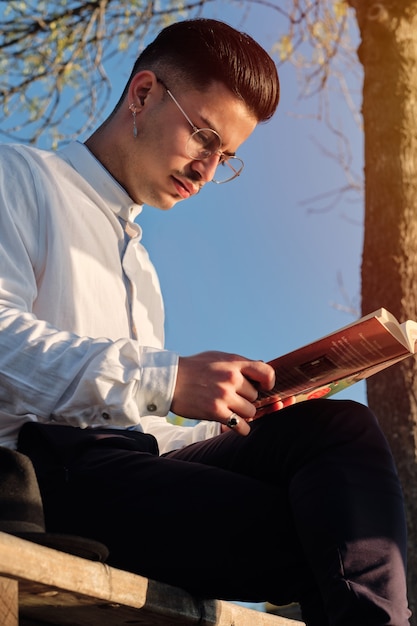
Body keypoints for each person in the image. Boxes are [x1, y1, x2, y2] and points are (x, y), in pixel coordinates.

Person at [0, 17, 411, 625]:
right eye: (202, 137)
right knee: (326, 529)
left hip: (128, 468)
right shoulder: (19, 177)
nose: (207, 171)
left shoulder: (141, 270)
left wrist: (234, 422)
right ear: (142, 94)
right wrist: (165, 379)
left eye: (226, 157)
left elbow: (143, 432)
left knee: (337, 432)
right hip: (38, 474)